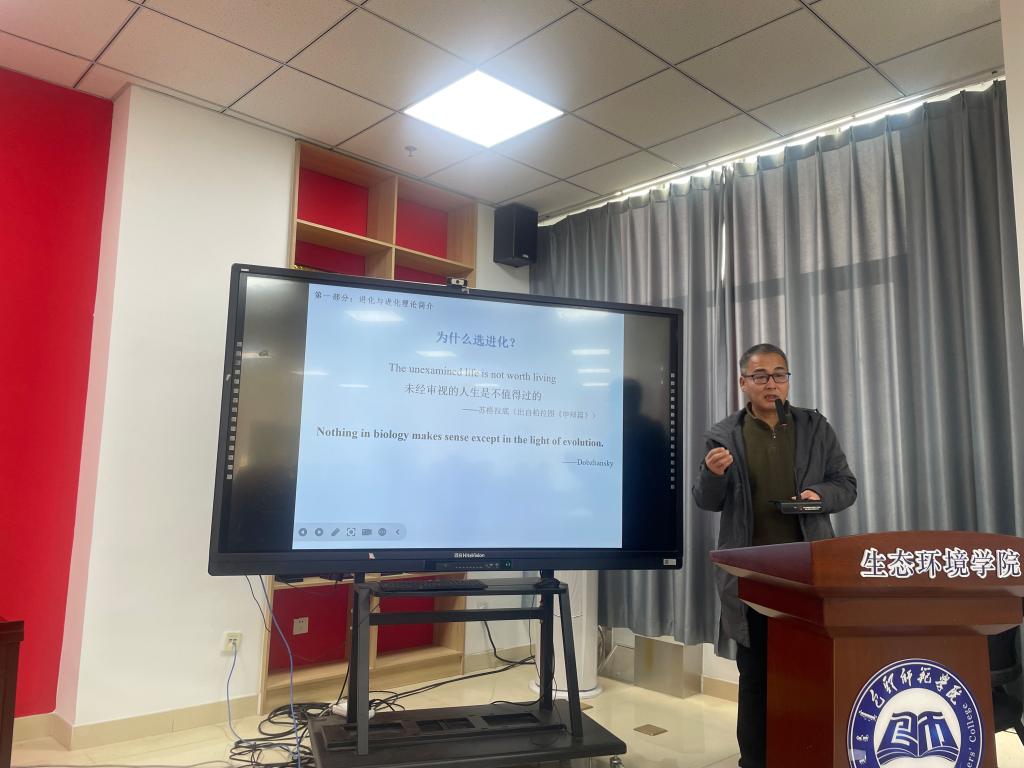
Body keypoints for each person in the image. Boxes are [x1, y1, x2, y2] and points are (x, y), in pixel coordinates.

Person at [691, 343, 857, 768]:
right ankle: (755, 762)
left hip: (808, 575)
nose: (772, 384)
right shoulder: (724, 435)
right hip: (752, 580)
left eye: (779, 374)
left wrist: (818, 495)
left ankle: (807, 756)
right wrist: (713, 474)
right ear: (743, 383)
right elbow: (707, 501)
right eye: (761, 376)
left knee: (812, 672)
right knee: (756, 678)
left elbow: (846, 485)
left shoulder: (814, 427)